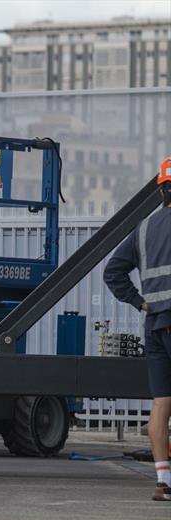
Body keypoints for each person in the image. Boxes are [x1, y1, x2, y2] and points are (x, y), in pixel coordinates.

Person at [104, 157, 171, 502]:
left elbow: (113, 272)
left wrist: (140, 302)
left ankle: (163, 481)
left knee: (162, 403)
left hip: (155, 323)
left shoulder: (143, 228)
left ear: (161, 189)